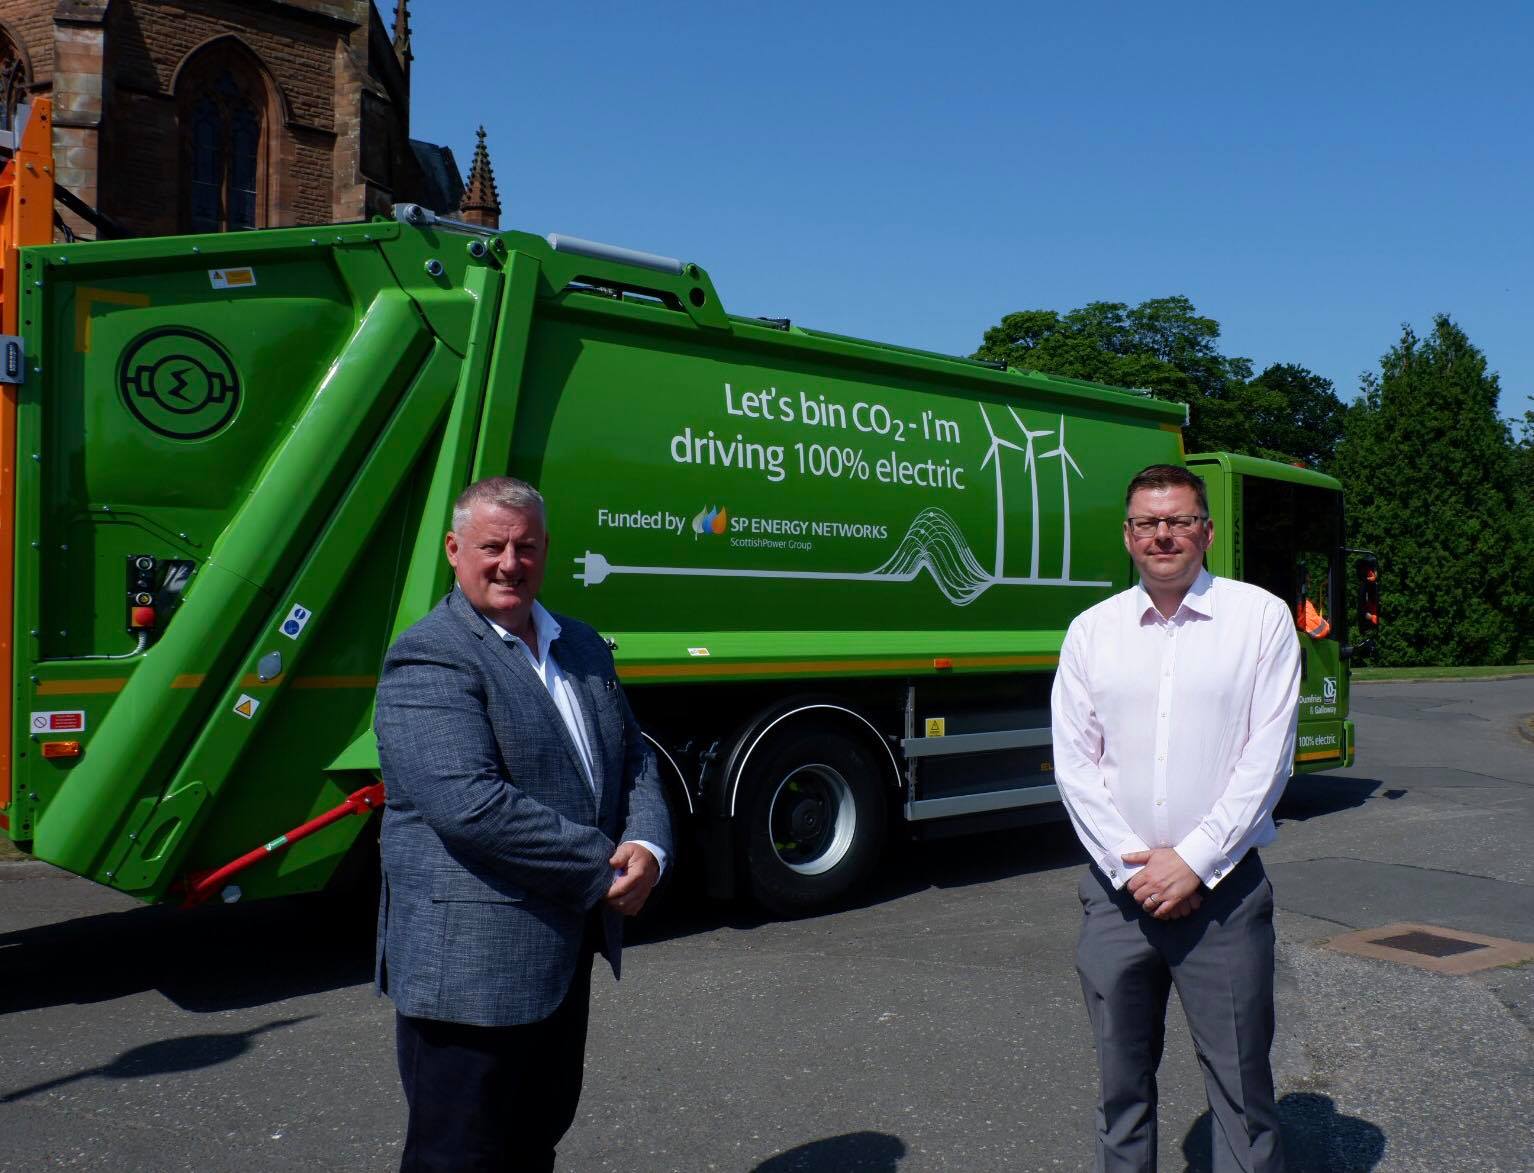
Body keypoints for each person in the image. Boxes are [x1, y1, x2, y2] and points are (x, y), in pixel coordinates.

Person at [374, 475, 672, 1172]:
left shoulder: (583, 645)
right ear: (454, 549)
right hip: (469, 973)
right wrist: (606, 866)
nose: (511, 562)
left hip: (560, 960)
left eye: (526, 546)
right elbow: (469, 804)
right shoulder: (431, 654)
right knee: (457, 1156)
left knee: (535, 1143)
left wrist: (651, 844)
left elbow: (633, 756)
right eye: (492, 546)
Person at [1050, 464, 1301, 1172]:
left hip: (1223, 898)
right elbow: (1076, 764)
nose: (1165, 534)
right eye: (1148, 522)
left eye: (1181, 519)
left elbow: (1268, 756)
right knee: (1120, 1090)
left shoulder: (1260, 620)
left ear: (1208, 531)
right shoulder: (1091, 632)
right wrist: (1138, 866)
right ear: (1128, 536)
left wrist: (1192, 860)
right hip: (1116, 897)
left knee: (1242, 1093)